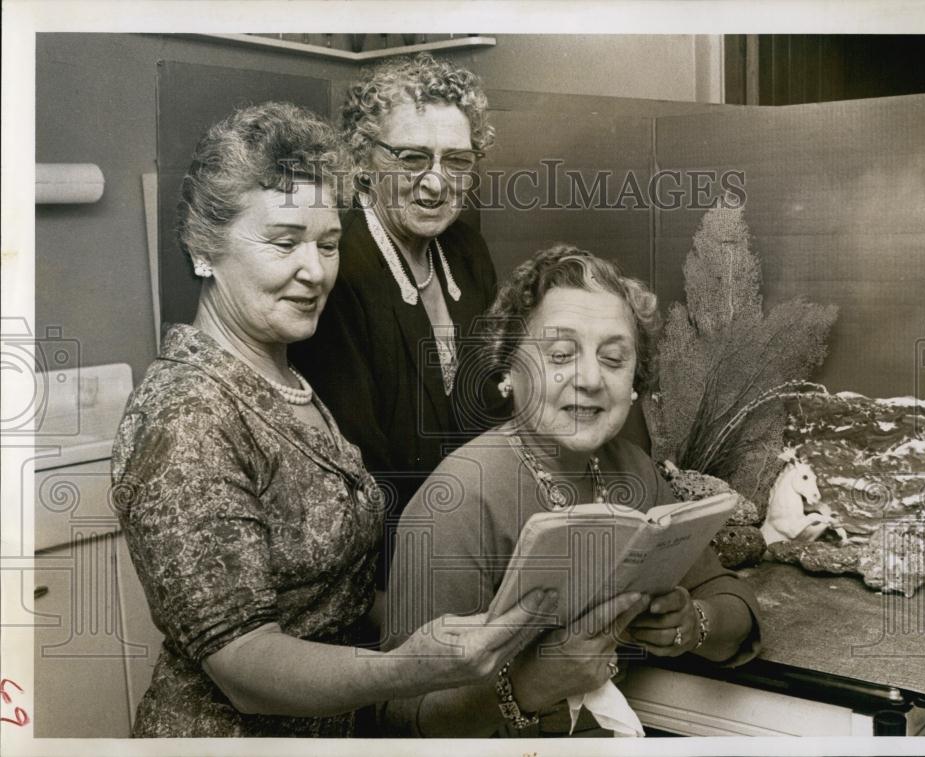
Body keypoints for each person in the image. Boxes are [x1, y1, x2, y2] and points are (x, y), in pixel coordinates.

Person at [110, 102, 559, 738]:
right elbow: (243, 663)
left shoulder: (286, 378)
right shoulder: (188, 414)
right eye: (284, 241)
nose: (315, 271)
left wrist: (468, 622)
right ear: (204, 247)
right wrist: (409, 666)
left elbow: (329, 597)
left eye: (328, 243)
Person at [382, 245, 763, 737]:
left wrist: (694, 623)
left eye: (613, 358)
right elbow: (397, 723)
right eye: (560, 355)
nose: (588, 379)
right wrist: (532, 683)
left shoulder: (630, 469)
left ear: (633, 383)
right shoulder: (457, 500)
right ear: (506, 368)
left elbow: (732, 600)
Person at [290, 53, 506, 588]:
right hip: (391, 566)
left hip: (481, 533)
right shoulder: (338, 266)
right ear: (363, 159)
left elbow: (493, 404)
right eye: (412, 158)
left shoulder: (467, 249)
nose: (436, 184)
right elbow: (363, 470)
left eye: (456, 161)